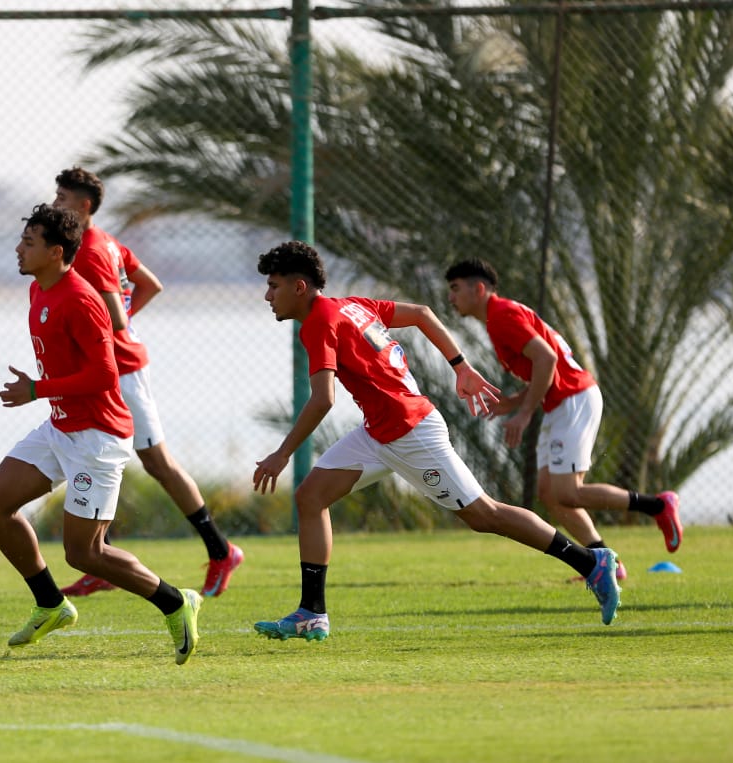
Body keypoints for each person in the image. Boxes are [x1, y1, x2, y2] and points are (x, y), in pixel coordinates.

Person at [251, 241, 622, 642]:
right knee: (310, 497)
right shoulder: (351, 306)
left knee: (485, 516)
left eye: (273, 286)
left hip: (410, 432)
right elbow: (422, 314)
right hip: (380, 431)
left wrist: (282, 454)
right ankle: (311, 613)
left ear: (299, 287)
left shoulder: (320, 323)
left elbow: (323, 399)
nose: (268, 296)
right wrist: (460, 367)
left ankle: (590, 563)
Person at [0, 203, 201, 665]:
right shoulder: (39, 289)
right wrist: (44, 394)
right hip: (60, 427)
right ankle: (51, 604)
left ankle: (176, 601)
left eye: (28, 243)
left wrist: (36, 389)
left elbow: (104, 374)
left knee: (84, 553)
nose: (18, 249)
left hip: (97, 438)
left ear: (56, 252)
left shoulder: (80, 299)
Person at [50, 167, 244, 598]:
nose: (55, 203)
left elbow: (117, 317)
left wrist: (100, 333)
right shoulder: (105, 242)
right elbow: (149, 285)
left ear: (84, 205)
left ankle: (221, 550)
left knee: (158, 463)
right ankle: (99, 558)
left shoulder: (91, 251)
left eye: (62, 198)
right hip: (114, 368)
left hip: (121, 371)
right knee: (91, 453)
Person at [443, 258, 682, 575]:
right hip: (561, 402)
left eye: (455, 288)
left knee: (568, 492)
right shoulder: (499, 316)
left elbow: (547, 358)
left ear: (479, 289)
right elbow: (543, 369)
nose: (451, 297)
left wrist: (525, 413)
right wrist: (513, 402)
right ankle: (606, 564)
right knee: (550, 495)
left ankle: (658, 505)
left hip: (573, 399)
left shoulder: (502, 316)